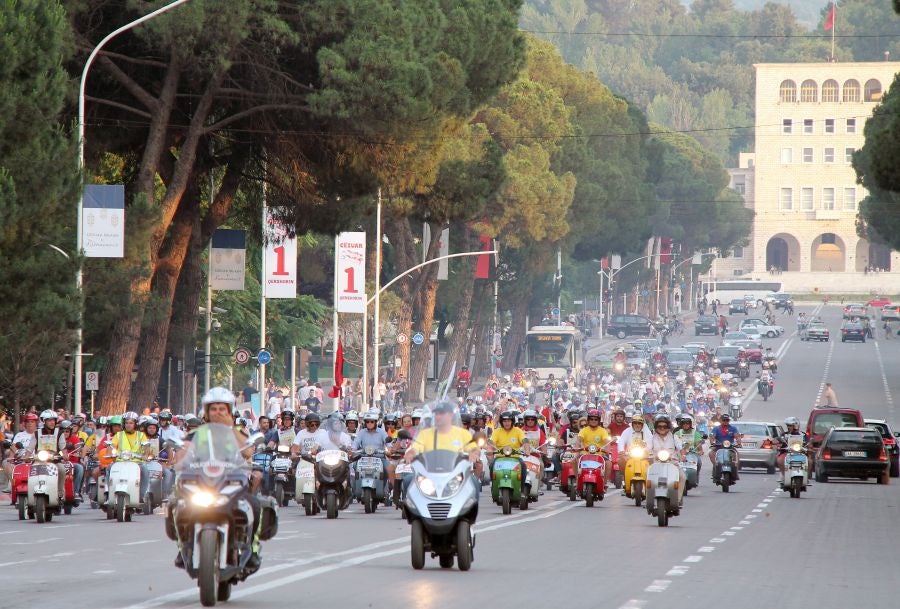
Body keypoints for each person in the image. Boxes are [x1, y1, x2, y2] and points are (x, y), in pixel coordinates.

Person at [171, 387, 268, 571]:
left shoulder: (237, 432)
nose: (218, 413)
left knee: (254, 505)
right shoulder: (197, 433)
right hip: (203, 483)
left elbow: (248, 451)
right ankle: (182, 546)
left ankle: (253, 550)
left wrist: (231, 428)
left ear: (229, 411)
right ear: (206, 412)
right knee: (176, 505)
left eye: (222, 409)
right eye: (213, 409)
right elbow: (180, 459)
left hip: (231, 482)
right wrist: (182, 456)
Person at [111, 411, 149, 503]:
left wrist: (145, 455)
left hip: (137, 463)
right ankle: (109, 493)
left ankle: (141, 495)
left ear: (135, 424)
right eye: (126, 423)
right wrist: (112, 454)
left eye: (131, 423)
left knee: (144, 469)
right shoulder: (118, 435)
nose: (128, 425)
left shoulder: (141, 435)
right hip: (120, 462)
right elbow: (112, 447)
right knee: (108, 469)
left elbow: (146, 448)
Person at [774, 417, 810, 484]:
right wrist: (776, 441)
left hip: (800, 453)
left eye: (790, 425)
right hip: (786, 453)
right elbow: (776, 440)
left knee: (810, 461)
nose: (789, 427)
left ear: (796, 425)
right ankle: (783, 475)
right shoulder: (784, 434)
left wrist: (809, 445)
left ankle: (806, 477)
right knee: (780, 460)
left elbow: (809, 443)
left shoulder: (803, 435)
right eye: (788, 425)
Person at [709, 413, 742, 478]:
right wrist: (712, 442)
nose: (725, 422)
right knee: (711, 454)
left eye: (727, 420)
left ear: (729, 421)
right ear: (721, 420)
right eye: (724, 420)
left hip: (730, 447)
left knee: (737, 455)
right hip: (718, 446)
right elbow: (712, 436)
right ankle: (716, 467)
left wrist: (739, 443)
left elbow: (737, 437)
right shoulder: (716, 428)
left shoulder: (733, 428)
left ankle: (735, 471)